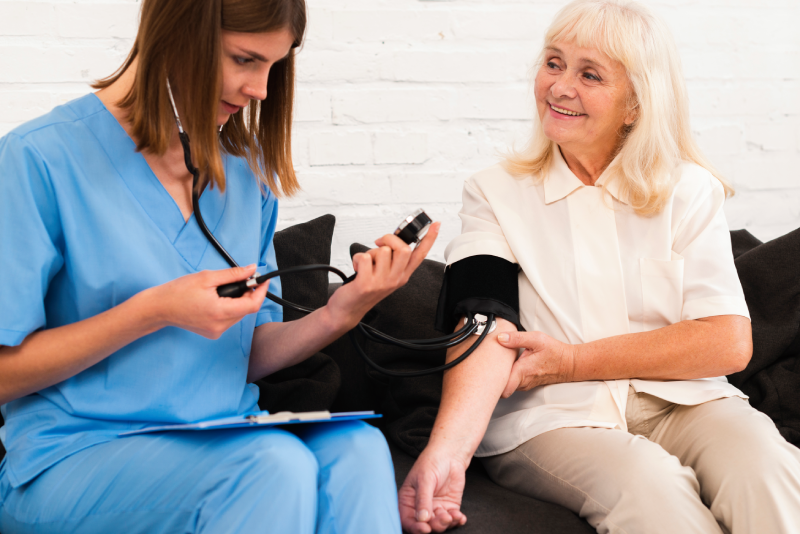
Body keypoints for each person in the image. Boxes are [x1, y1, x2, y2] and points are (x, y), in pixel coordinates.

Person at [0, 0, 440, 532]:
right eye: (244, 59)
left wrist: (340, 313)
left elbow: (240, 356)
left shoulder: (244, 177)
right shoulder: (37, 159)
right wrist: (153, 310)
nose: (261, 89)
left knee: (358, 450)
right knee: (271, 466)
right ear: (176, 30)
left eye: (274, 66)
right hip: (75, 457)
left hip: (222, 439)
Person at [399, 1, 800, 533]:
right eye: (553, 63)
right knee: (651, 485)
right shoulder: (494, 193)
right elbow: (484, 323)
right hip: (554, 418)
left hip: (683, 401)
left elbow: (726, 341)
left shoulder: (688, 190)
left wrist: (572, 360)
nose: (560, 87)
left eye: (589, 75)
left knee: (764, 463)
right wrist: (446, 453)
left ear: (635, 104)